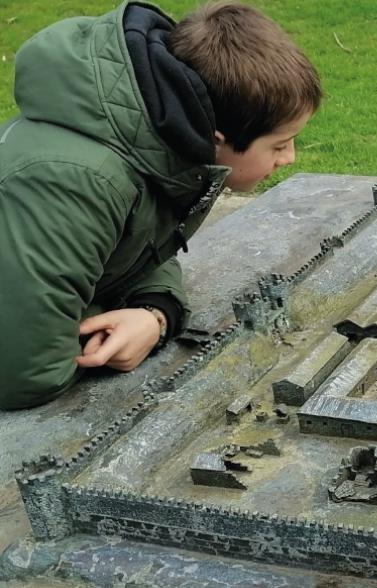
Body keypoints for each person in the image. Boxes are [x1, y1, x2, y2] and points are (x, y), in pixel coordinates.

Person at [0, 1, 322, 409]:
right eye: (279, 144)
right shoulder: (78, 184)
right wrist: (107, 328)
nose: (289, 157)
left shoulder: (160, 142)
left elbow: (142, 245)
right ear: (219, 138)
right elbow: (24, 372)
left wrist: (155, 312)